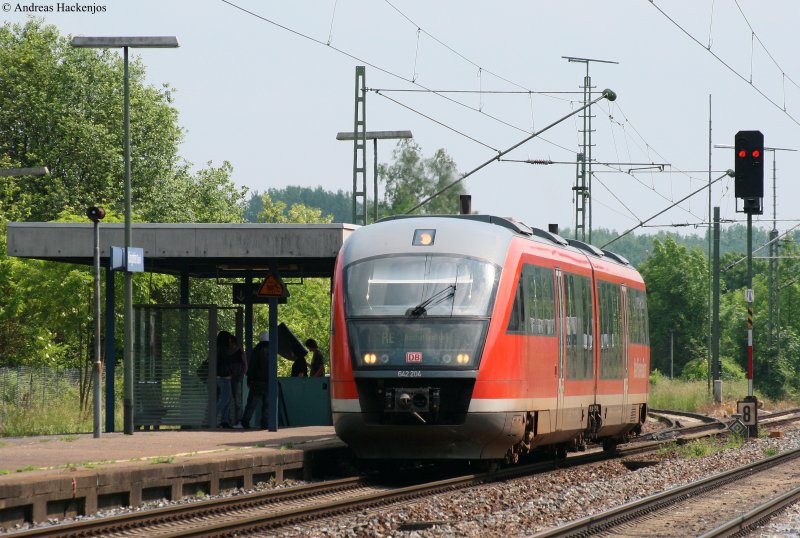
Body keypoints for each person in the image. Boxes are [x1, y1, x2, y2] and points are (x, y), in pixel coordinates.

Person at [241, 331, 270, 429]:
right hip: (268, 381)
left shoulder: (256, 349)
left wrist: (249, 379)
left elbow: (252, 365)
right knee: (267, 404)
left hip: (257, 381)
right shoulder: (272, 349)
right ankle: (265, 424)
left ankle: (245, 422)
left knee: (251, 404)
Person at [215, 330, 234, 428]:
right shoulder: (223, 350)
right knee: (225, 399)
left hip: (221, 378)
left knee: (226, 399)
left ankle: (225, 420)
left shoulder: (216, 349)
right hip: (224, 378)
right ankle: (213, 417)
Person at [229, 335, 247, 428]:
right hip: (233, 378)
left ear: (233, 342)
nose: (229, 344)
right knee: (234, 400)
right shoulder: (234, 352)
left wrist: (241, 375)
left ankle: (238, 421)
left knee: (237, 401)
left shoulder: (239, 352)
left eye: (230, 342)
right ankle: (234, 421)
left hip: (236, 379)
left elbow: (245, 366)